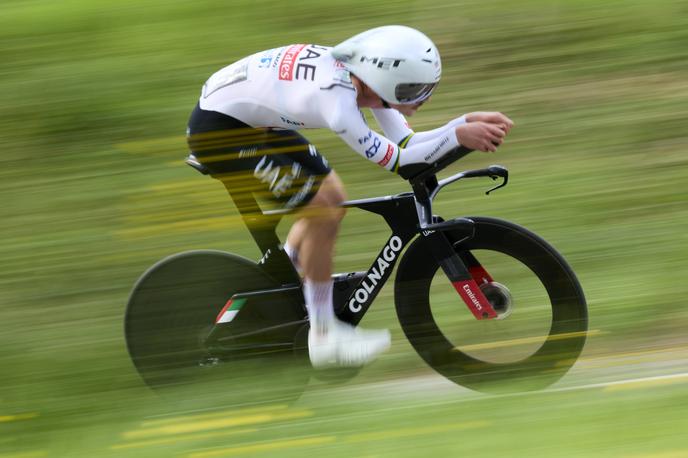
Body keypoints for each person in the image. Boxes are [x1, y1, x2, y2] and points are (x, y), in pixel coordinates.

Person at [186, 25, 514, 369]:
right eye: (415, 90)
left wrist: (461, 124)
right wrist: (460, 136)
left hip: (251, 123)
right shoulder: (337, 100)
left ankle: (288, 282)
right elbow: (401, 163)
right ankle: (325, 336)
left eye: (427, 89)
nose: (422, 99)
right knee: (321, 210)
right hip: (220, 135)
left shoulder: (366, 78)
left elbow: (405, 142)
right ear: (387, 83)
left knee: (331, 196)